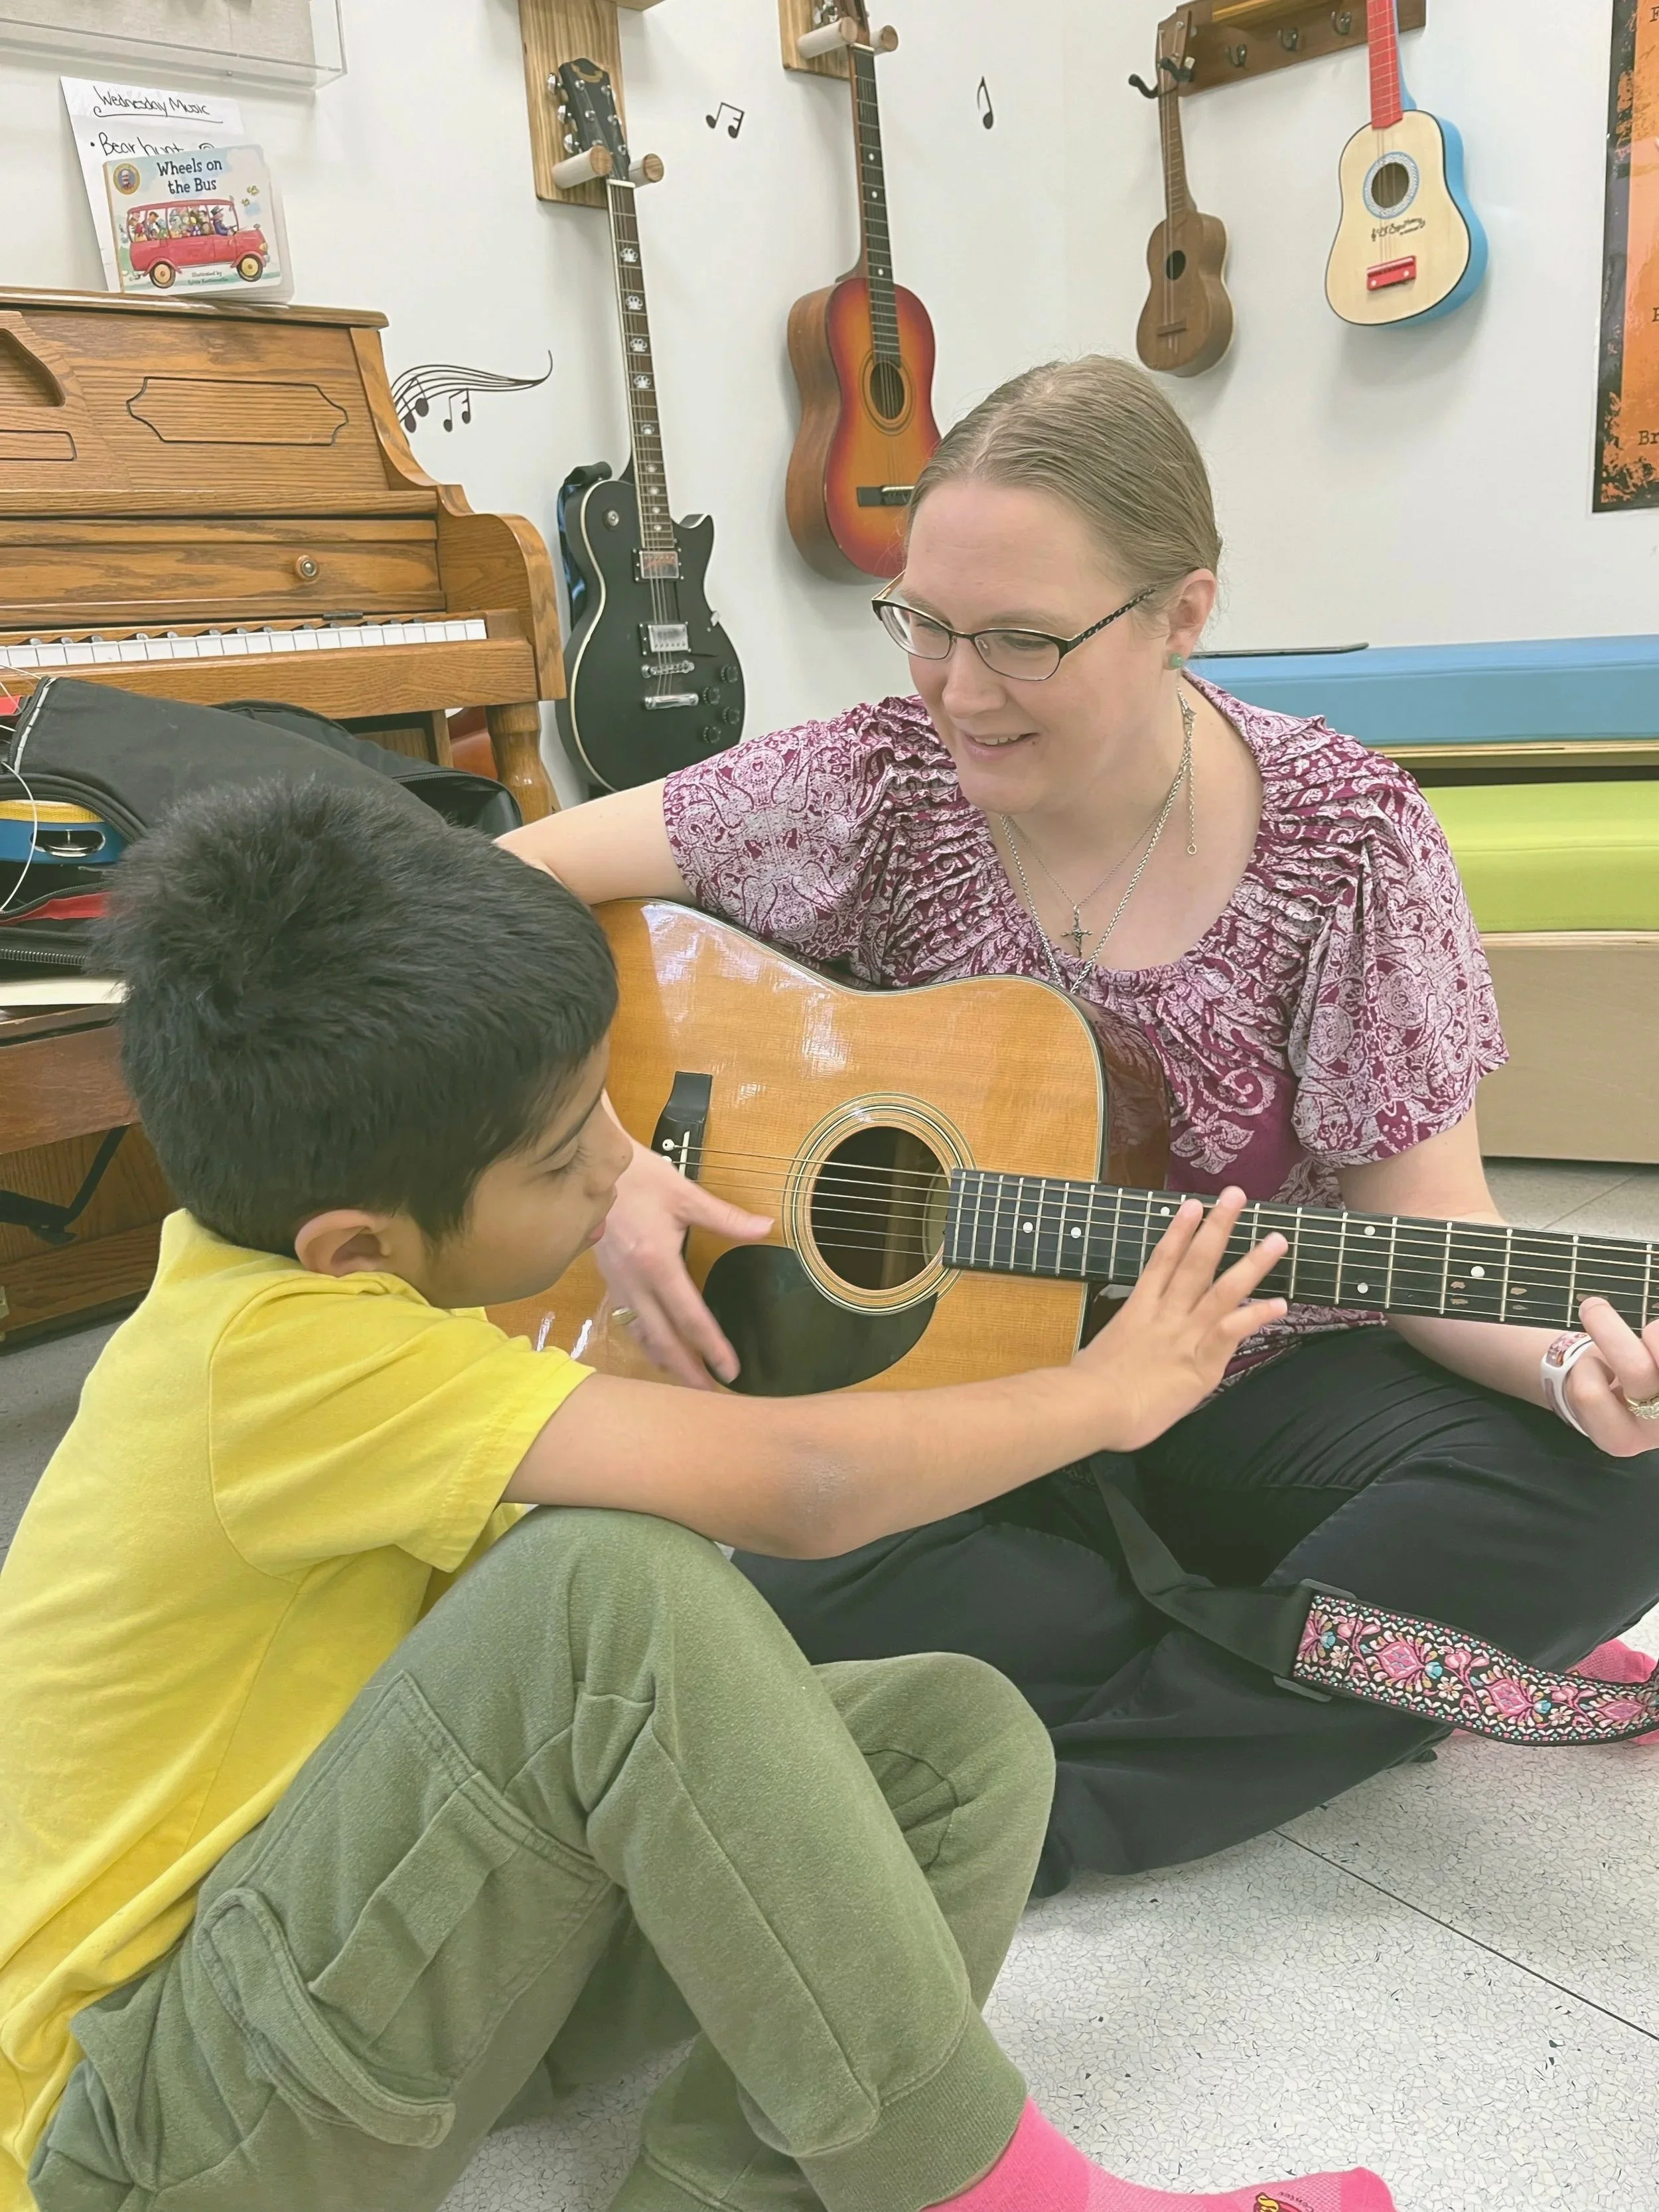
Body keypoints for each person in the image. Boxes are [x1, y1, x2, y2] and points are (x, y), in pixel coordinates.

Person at [0, 780, 1392, 2212]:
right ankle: (1006, 2195)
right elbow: (802, 1491)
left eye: (604, 1112)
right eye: (566, 1157)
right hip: (145, 2128)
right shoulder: (262, 1358)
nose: (623, 1170)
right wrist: (1107, 1396)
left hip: (376, 1981)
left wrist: (591, 1194)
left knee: (957, 1747)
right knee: (603, 1593)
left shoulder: (326, 1295)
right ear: (359, 1246)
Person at [503, 354, 1659, 1899]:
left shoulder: (1346, 835)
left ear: (1181, 612)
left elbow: (1425, 1234)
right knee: (774, 1550)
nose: (960, 688)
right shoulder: (873, 776)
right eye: (924, 622)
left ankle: (1033, 1811)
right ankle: (1323, 1664)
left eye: (1024, 640)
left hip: (1257, 1391)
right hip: (959, 1409)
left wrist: (1573, 1365)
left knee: (1616, 1488)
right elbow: (495, 889)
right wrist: (602, 1160)